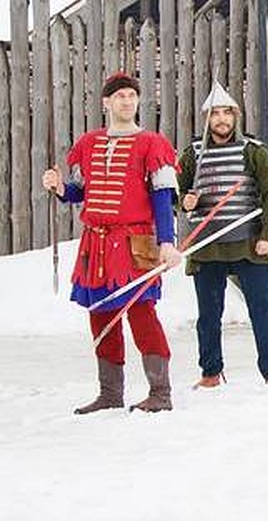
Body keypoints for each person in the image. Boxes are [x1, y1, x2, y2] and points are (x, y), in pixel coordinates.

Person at [42, 72, 182, 413]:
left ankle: (160, 394)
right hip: (96, 244)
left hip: (134, 240)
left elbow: (163, 197)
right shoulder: (88, 144)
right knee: (100, 315)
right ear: (107, 102)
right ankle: (110, 393)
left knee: (142, 312)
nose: (127, 101)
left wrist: (167, 241)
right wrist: (60, 188)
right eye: (120, 96)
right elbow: (81, 192)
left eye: (132, 96)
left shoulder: (152, 144)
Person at [178, 81, 268, 389]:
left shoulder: (252, 151)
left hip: (249, 242)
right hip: (208, 245)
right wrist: (184, 200)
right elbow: (177, 192)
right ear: (207, 118)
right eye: (216, 114)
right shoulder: (192, 154)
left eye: (227, 113)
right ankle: (211, 372)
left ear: (236, 116)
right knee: (209, 315)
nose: (222, 119)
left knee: (264, 310)